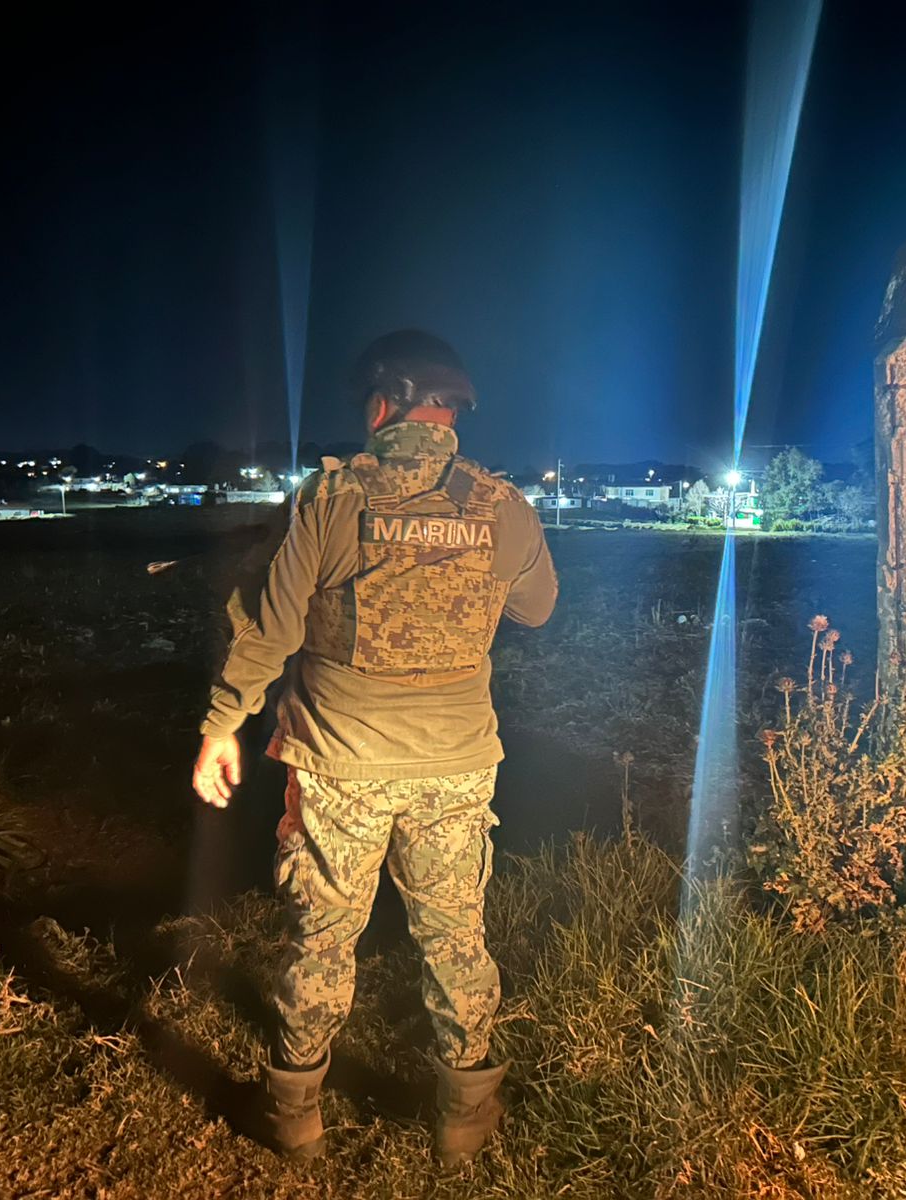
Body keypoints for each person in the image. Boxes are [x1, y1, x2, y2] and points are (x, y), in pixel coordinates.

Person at [191, 330, 557, 1164]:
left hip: (338, 761)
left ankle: (294, 1115)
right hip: (456, 764)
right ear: (452, 410)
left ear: (383, 406)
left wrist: (222, 724)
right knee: (455, 936)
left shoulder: (331, 498)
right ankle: (465, 1118)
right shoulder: (502, 504)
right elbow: (536, 608)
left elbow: (270, 630)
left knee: (322, 938)